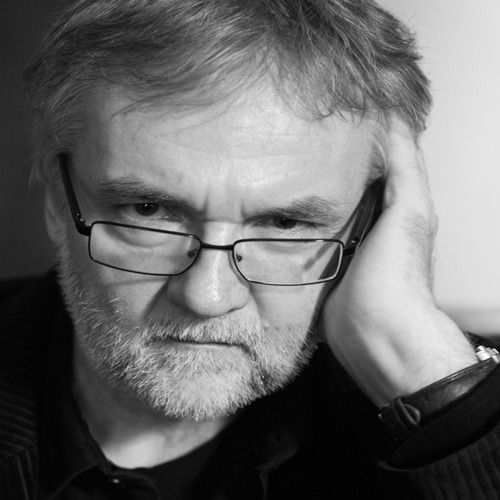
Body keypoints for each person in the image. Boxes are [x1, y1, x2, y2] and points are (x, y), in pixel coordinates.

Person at [2, 0, 500, 498]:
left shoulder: (432, 406)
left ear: (369, 222)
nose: (208, 297)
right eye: (148, 210)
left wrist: (432, 384)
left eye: (286, 223)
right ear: (56, 200)